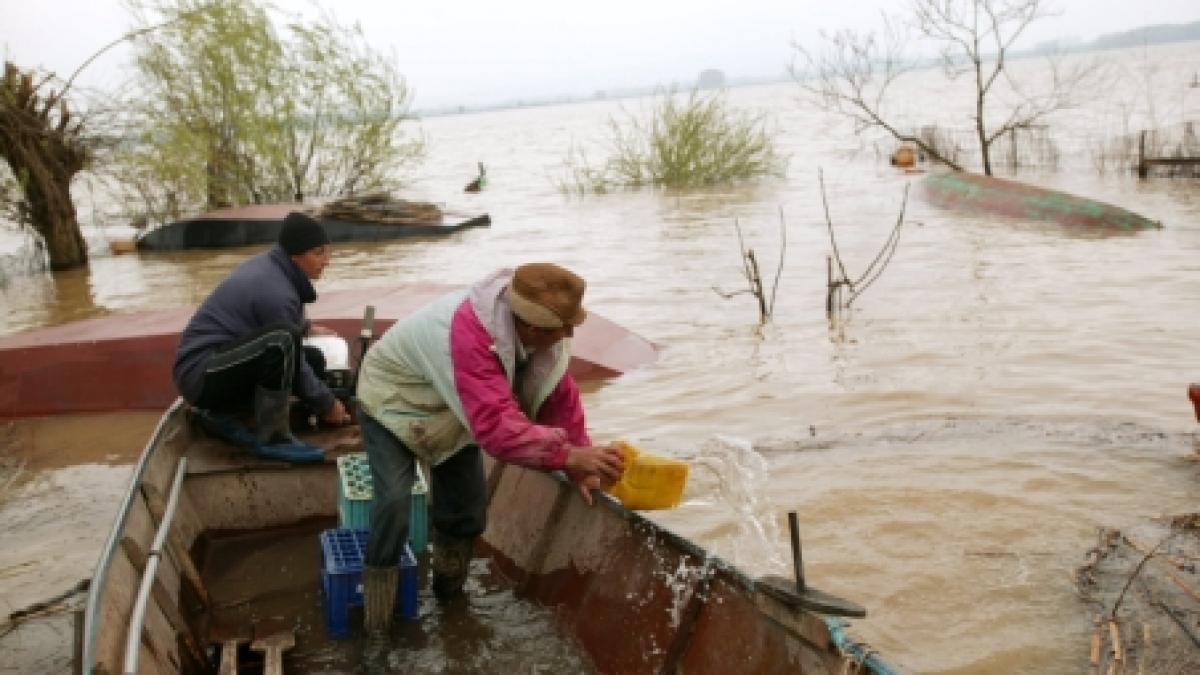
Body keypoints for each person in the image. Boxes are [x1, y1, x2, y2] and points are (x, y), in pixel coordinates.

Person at [354, 262, 625, 634]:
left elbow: (559, 402)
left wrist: (581, 467)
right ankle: (377, 624)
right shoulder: (470, 335)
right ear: (532, 327)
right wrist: (567, 455)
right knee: (394, 504)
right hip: (393, 401)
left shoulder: (545, 341)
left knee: (467, 513)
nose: (569, 334)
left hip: (452, 407)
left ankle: (448, 600)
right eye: (562, 327)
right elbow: (496, 429)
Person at [172, 211, 351, 462]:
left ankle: (231, 412)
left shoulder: (274, 267)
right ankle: (274, 438)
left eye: (327, 252)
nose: (327, 261)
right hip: (202, 375)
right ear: (296, 255)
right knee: (282, 341)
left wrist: (306, 327)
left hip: (225, 362)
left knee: (312, 358)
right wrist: (327, 403)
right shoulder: (276, 290)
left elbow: (276, 322)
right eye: (318, 253)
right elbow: (285, 338)